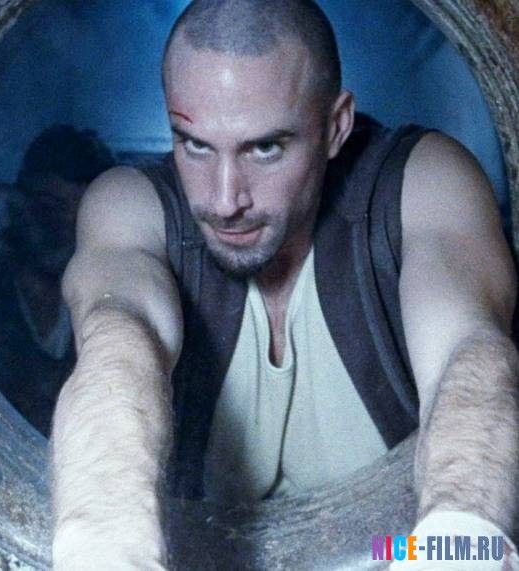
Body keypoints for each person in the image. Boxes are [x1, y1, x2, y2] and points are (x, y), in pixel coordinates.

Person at [49, 0, 519, 569]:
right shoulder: (132, 206)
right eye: (195, 145)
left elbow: (468, 355)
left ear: (335, 127)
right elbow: (118, 348)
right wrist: (104, 546)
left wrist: (460, 543)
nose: (225, 199)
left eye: (265, 148)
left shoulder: (419, 185)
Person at [0, 125, 115, 436]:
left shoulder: (110, 292)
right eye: (50, 206)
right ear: (22, 200)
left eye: (85, 215)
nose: (65, 225)